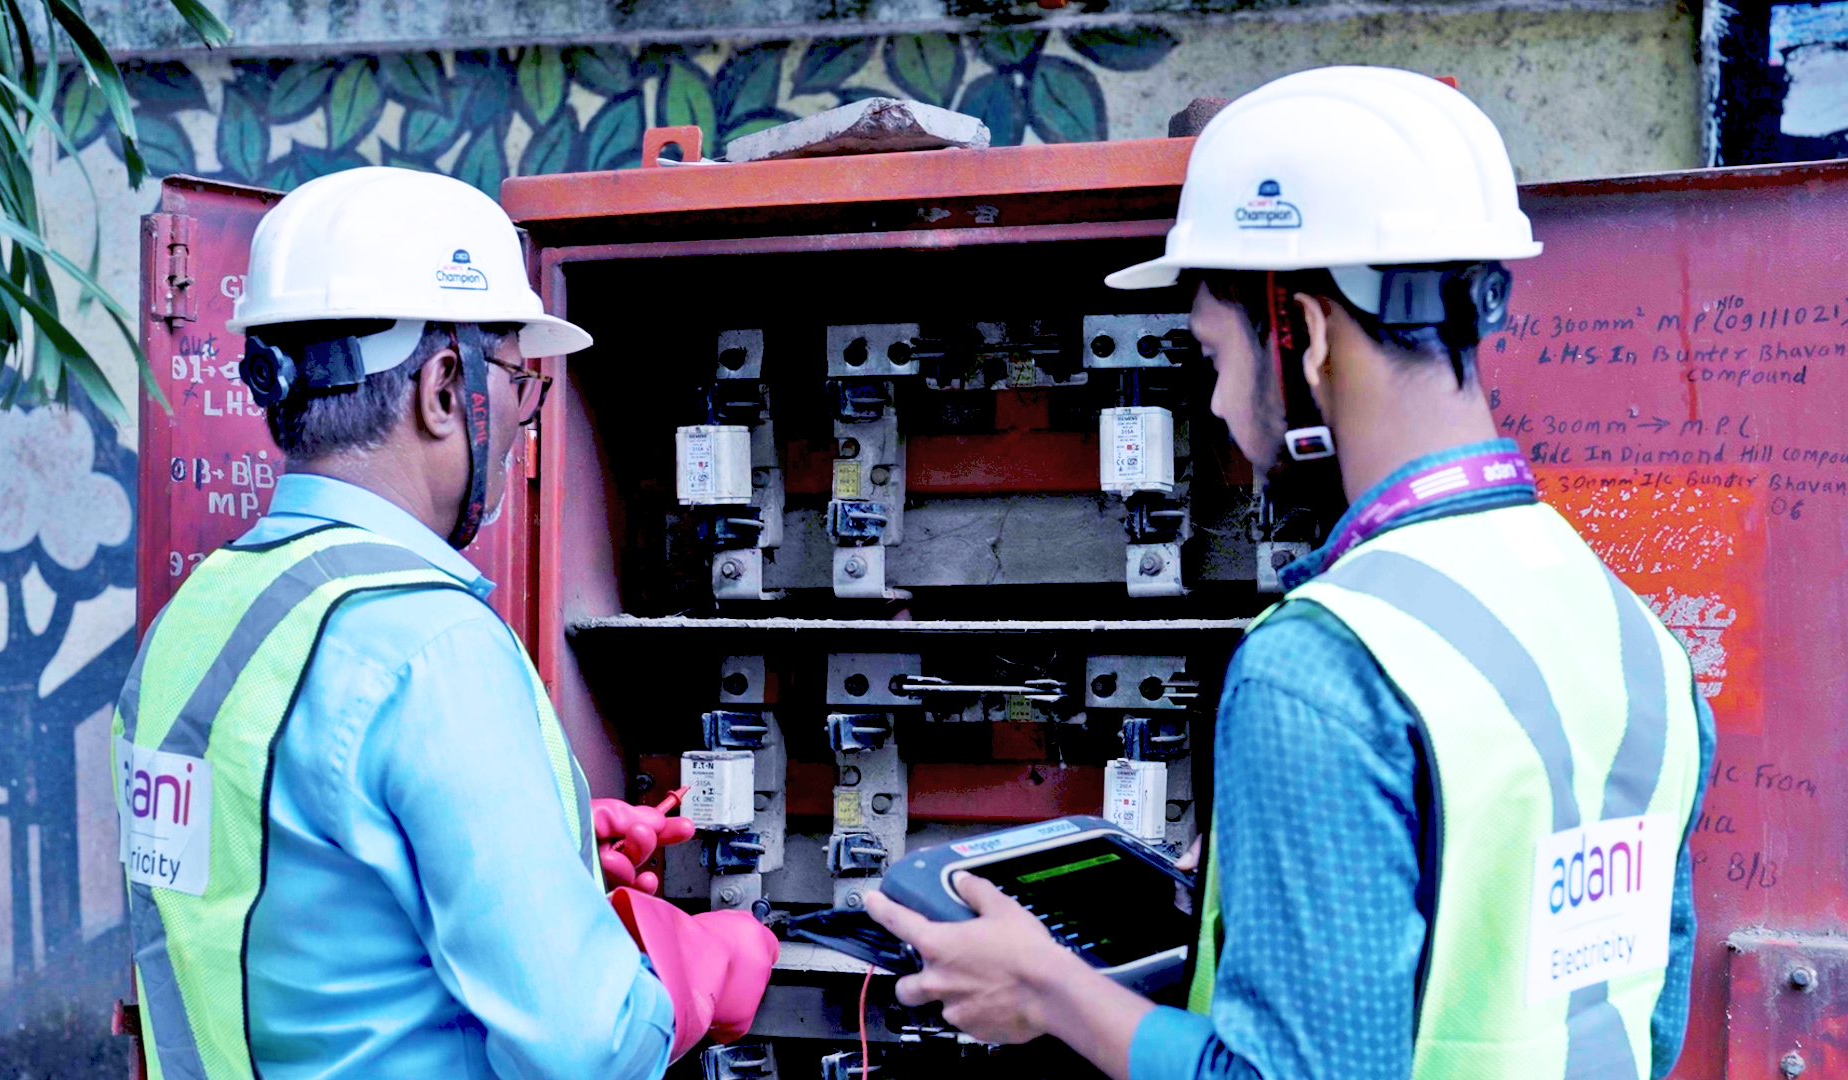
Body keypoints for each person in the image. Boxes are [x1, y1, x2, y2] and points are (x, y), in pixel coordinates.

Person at [864, 66, 1715, 1080]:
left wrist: (1048, 990)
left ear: (1303, 332)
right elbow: (1638, 1014)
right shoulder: (1628, 630)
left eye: (1214, 357)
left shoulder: (1323, 667)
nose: (1221, 407)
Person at [113, 167, 771, 1079]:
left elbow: (275, 887)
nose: (522, 424)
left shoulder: (197, 616)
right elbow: (589, 1047)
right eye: (518, 383)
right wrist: (695, 969)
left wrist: (533, 848)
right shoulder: (430, 645)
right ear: (443, 385)